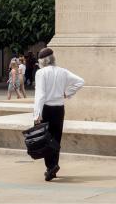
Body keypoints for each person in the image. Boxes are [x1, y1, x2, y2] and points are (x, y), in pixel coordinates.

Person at [30, 47, 84, 182]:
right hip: (59, 109)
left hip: (46, 109)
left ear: (42, 61)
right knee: (56, 139)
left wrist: (37, 115)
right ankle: (53, 168)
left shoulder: (41, 73)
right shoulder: (63, 71)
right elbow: (80, 81)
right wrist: (68, 93)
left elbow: (40, 95)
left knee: (45, 140)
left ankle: (51, 167)